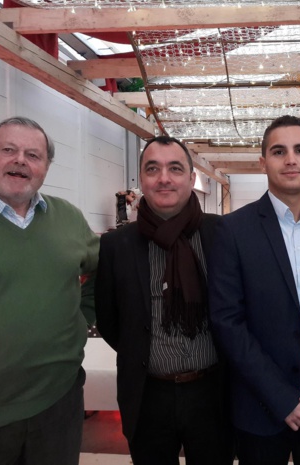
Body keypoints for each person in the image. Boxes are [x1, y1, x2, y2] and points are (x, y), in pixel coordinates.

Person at [209, 115, 300, 465]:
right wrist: (282, 398)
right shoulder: (233, 230)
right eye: (279, 151)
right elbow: (228, 322)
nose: (290, 159)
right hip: (261, 410)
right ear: (263, 163)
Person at [0, 117, 99, 465]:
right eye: (9, 150)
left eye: (33, 155)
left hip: (58, 403)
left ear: (46, 166)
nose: (21, 160)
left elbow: (102, 274)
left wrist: (81, 319)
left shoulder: (68, 219)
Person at [95, 136, 232, 465]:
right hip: (147, 395)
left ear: (190, 178)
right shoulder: (117, 245)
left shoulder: (223, 234)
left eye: (175, 168)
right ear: (141, 179)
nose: (164, 178)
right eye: (152, 169)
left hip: (213, 392)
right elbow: (111, 321)